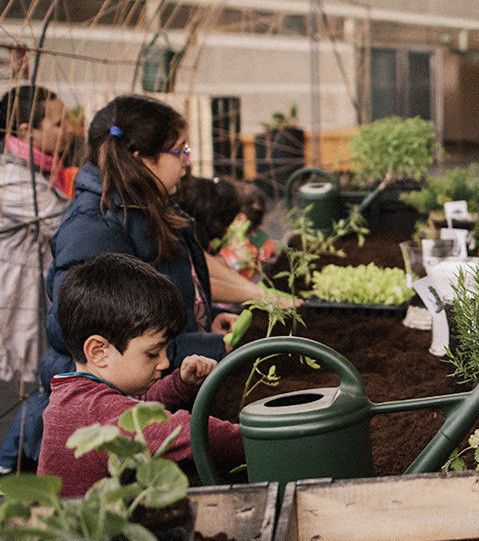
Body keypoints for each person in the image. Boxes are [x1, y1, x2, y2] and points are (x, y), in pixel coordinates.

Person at [5, 95, 289, 472]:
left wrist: (207, 315)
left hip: (152, 389)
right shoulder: (94, 226)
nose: (186, 162)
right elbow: (73, 324)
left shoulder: (147, 205)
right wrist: (193, 343)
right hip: (114, 417)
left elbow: (172, 283)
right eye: (179, 151)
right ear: (142, 159)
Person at [39, 253, 243, 497]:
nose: (165, 362)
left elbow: (136, 410)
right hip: (84, 533)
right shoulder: (93, 409)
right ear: (99, 351)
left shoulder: (77, 392)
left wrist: (179, 383)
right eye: (153, 353)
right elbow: (191, 433)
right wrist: (253, 437)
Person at [0, 85, 71, 473]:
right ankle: (10, 466)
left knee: (45, 382)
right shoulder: (11, 181)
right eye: (58, 123)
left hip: (33, 302)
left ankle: (16, 463)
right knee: (38, 384)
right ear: (26, 130)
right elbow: (66, 220)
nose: (68, 130)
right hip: (16, 303)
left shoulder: (39, 173)